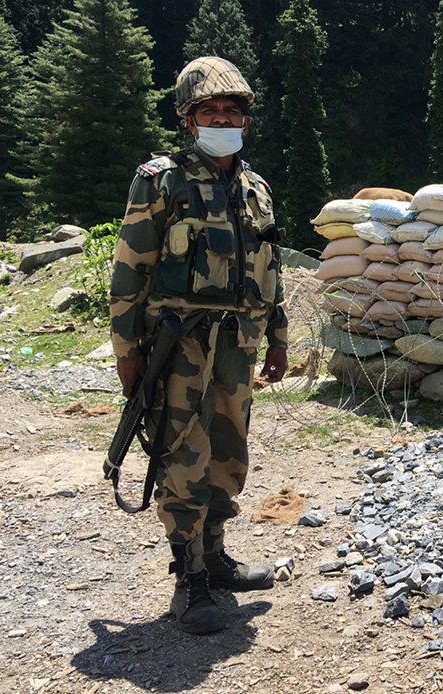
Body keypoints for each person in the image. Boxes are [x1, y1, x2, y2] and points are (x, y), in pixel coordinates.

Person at [109, 56, 288, 634]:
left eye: (231, 111)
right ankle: (189, 579)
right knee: (182, 451)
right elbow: (129, 269)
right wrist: (127, 353)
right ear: (189, 120)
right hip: (177, 342)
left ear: (245, 120)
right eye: (209, 111)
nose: (221, 118)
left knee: (229, 449)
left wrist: (279, 338)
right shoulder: (162, 179)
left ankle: (215, 556)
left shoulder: (256, 188)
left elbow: (269, 267)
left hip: (239, 342)